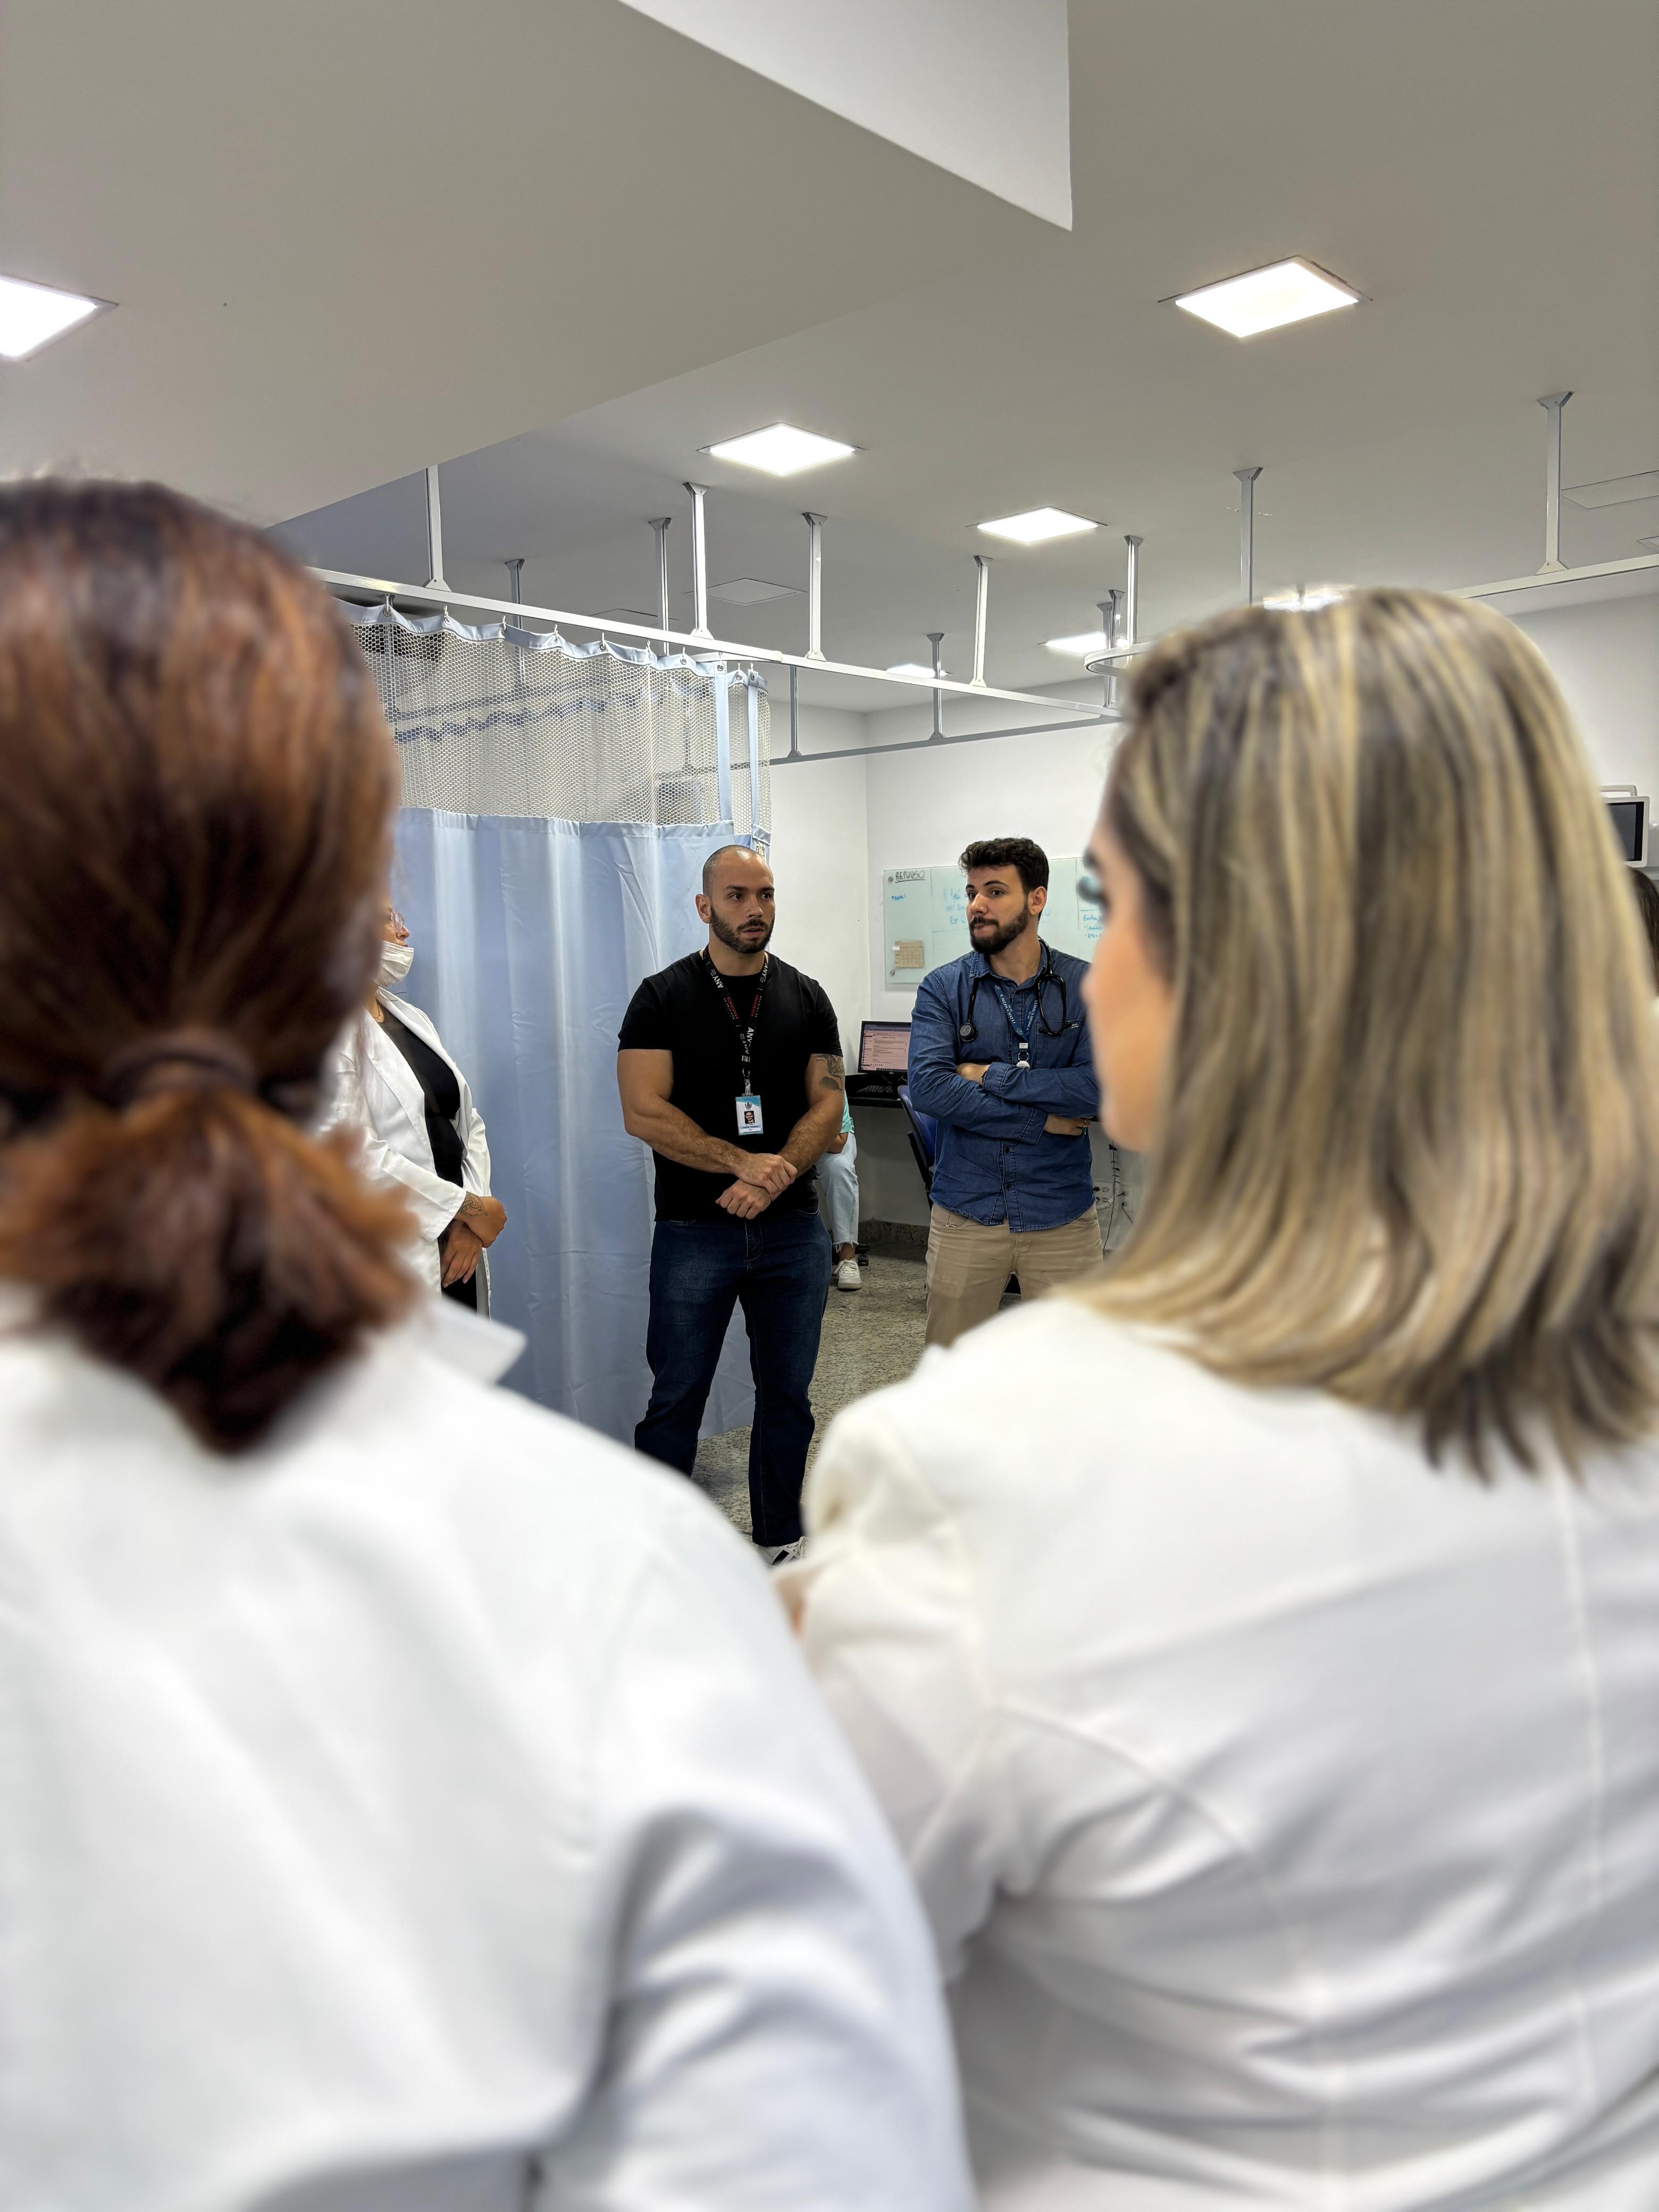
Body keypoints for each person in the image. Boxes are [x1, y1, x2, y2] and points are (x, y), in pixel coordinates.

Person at [0, 480, 973, 2212]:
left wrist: (718, 1173)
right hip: (629, 1257)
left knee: (780, 1396)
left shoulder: (585, 1572)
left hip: (606, 1251)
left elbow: (726, 1112)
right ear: (331, 917)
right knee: (678, 1399)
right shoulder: (590, 1586)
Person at [786, 589, 1659, 2209]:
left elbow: (792, 2033)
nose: (1094, 961)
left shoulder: (998, 1466)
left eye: (1112, 902)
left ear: (1235, 963)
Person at [618, 843, 844, 1562]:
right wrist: (741, 1161)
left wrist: (775, 1175)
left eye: (766, 894)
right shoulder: (661, 997)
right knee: (676, 1397)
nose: (755, 909)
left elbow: (829, 1103)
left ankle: (779, 1537)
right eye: (738, 895)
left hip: (793, 1230)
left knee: (788, 1397)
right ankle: (658, 1548)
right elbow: (642, 1111)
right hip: (695, 1231)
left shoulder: (807, 996)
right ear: (704, 906)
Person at [907, 837, 1102, 1347]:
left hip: (1060, 1215)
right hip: (966, 1212)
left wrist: (988, 1074)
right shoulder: (944, 988)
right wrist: (1040, 1120)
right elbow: (929, 1088)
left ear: (1037, 899)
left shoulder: (1087, 987)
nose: (977, 905)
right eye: (971, 892)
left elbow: (1098, 1088)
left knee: (1070, 1372)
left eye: (995, 891)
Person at [326, 902, 505, 1308]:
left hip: (459, 1246)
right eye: (388, 919)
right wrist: (467, 1208)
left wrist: (470, 1224)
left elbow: (467, 1124)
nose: (404, 932)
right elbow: (351, 1156)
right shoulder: (323, 1033)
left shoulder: (410, 1018)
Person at [820, 1097, 862, 1289]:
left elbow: (838, 1144)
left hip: (827, 1141)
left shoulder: (830, 1083)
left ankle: (847, 1259)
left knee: (840, 1169)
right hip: (785, 1142)